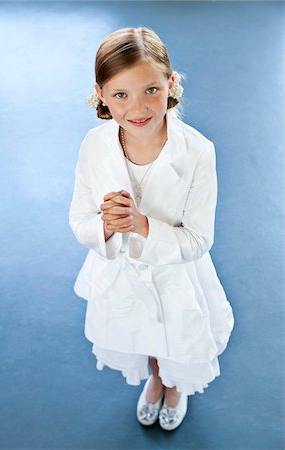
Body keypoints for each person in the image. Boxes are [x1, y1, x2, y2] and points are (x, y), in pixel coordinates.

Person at [69, 26, 235, 431]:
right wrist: (105, 227)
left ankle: (173, 385)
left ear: (170, 83)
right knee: (141, 332)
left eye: (150, 90)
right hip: (120, 274)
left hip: (175, 272)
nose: (138, 108)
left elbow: (198, 239)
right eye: (120, 95)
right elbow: (79, 219)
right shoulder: (94, 145)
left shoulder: (197, 152)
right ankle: (156, 378)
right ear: (102, 95)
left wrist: (143, 225)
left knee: (176, 335)